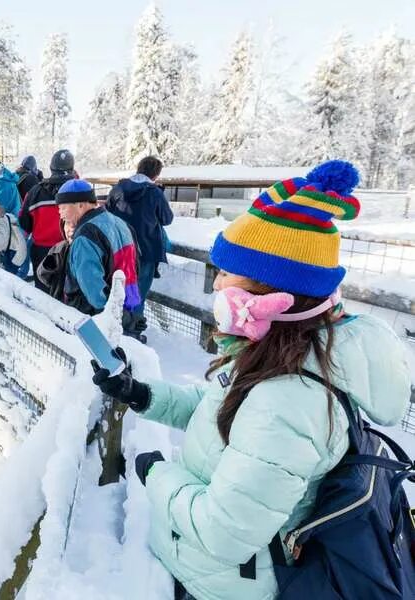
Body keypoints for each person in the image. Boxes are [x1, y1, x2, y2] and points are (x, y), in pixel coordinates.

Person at [90, 160, 411, 600]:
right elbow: (224, 408)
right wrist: (143, 394)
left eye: (225, 273)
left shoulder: (290, 401)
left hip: (222, 585)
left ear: (271, 293)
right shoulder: (287, 356)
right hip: (213, 568)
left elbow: (223, 532)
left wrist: (156, 472)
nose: (216, 285)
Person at [108, 156, 174, 340]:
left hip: (120, 247)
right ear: (156, 174)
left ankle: (116, 329)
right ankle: (133, 334)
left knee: (119, 290)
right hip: (146, 251)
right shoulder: (154, 193)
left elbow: (108, 211)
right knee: (138, 293)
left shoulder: (118, 188)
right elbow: (167, 218)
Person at [56, 179, 140, 315]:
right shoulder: (120, 223)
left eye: (63, 207)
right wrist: (127, 315)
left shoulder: (85, 237)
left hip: (97, 317)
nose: (60, 214)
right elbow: (135, 265)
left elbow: (93, 289)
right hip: (128, 303)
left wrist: (114, 313)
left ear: (80, 205)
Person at [19, 149, 77, 292]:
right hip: (71, 249)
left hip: (42, 252)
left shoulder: (35, 192)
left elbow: (24, 222)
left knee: (43, 293)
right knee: (68, 292)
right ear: (72, 169)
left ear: (51, 168)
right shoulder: (81, 191)